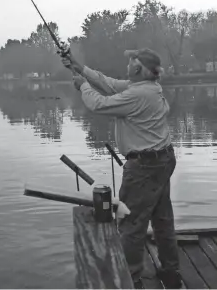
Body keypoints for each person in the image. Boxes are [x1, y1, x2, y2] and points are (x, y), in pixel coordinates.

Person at [62, 48, 182, 289]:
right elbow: (108, 83)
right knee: (162, 219)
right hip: (162, 160)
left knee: (131, 222)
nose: (126, 65)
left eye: (130, 63)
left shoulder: (137, 95)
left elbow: (99, 104)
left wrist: (82, 86)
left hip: (145, 166)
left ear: (138, 69)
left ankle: (130, 277)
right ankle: (171, 273)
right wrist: (79, 66)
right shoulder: (146, 88)